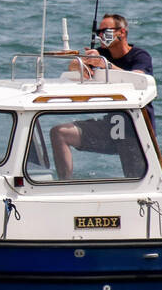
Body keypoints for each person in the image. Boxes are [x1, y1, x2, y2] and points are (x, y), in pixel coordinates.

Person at [52, 14, 155, 179]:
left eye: (104, 31)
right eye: (98, 31)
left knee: (134, 178)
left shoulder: (140, 56)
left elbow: (138, 80)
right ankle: (65, 184)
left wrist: (105, 65)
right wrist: (80, 65)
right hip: (110, 127)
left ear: (122, 32)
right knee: (59, 132)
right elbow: (74, 68)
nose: (100, 35)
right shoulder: (100, 53)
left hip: (133, 131)